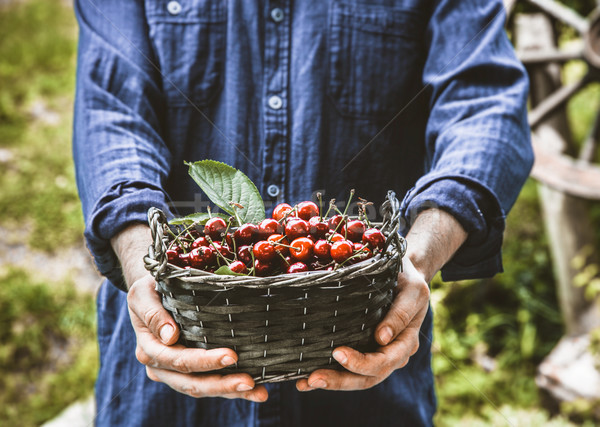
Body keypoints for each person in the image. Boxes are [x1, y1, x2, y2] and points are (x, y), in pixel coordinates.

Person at [73, 0, 533, 425]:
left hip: (363, 341)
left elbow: (484, 103)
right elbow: (111, 110)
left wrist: (419, 255)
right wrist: (142, 266)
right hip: (175, 341)